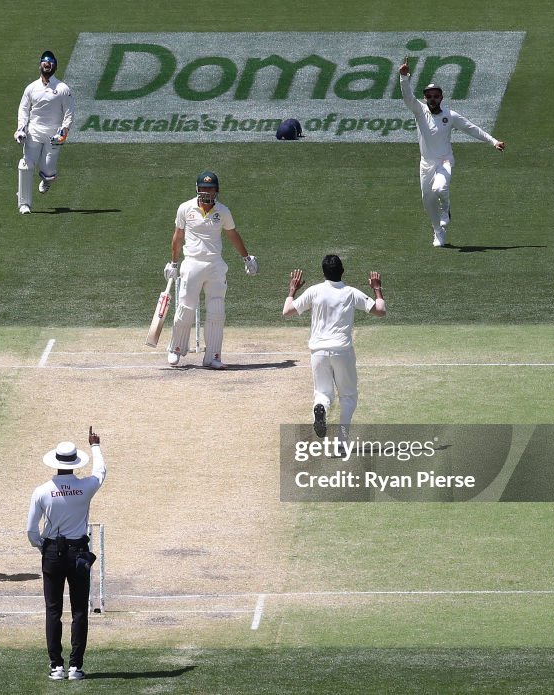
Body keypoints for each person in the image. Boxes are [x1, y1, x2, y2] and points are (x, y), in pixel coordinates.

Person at [27, 427, 107, 681]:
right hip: (79, 552)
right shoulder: (85, 487)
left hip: (52, 552)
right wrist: (95, 445)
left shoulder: (41, 490)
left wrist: (43, 545)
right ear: (74, 463)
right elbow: (101, 472)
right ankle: (75, 667)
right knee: (79, 611)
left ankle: (56, 666)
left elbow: (31, 530)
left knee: (53, 610)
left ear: (56, 463)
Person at [398, 58, 505, 247]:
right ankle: (438, 232)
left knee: (440, 188)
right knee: (427, 201)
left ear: (441, 97)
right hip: (426, 163)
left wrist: (493, 141)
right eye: (429, 96)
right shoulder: (419, 111)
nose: (432, 99)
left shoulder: (450, 115)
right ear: (425, 98)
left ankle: (446, 209)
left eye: (436, 96)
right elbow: (408, 97)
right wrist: (403, 76)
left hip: (445, 161)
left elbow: (472, 128)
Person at [283, 256, 386, 444]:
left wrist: (292, 290)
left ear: (323, 272)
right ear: (342, 271)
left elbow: (287, 311)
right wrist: (377, 289)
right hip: (342, 351)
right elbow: (380, 311)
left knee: (322, 394)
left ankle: (320, 408)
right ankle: (341, 442)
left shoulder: (313, 291)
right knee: (348, 397)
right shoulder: (351, 292)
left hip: (318, 352)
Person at [164, 171, 258, 369]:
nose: (207, 192)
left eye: (211, 188)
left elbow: (232, 235)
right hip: (191, 264)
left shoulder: (223, 211)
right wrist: (173, 263)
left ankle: (213, 356)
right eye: (204, 188)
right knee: (185, 308)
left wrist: (247, 258)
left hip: (215, 265)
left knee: (216, 310)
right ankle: (176, 349)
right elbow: (178, 236)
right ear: (198, 189)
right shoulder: (185, 208)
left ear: (217, 191)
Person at [15, 49, 76, 214]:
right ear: (40, 65)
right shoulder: (31, 88)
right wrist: (21, 129)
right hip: (34, 132)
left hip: (53, 135)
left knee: (48, 171)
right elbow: (24, 109)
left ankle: (47, 179)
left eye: (50, 62)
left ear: (54, 66)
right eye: (44, 61)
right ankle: (24, 204)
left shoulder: (62, 88)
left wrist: (64, 131)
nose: (47, 64)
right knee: (26, 164)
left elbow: (69, 111)